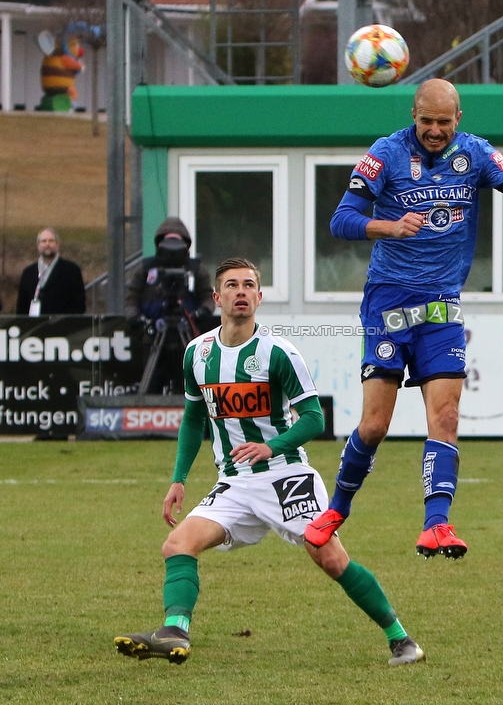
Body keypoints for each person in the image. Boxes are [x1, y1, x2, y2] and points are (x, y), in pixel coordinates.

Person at [114, 257, 425, 667]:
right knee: (177, 544)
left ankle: (401, 639)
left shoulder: (279, 352)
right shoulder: (197, 352)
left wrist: (271, 446)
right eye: (231, 285)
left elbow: (315, 417)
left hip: (286, 475)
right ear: (217, 297)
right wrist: (178, 479)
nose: (240, 292)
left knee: (329, 557)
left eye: (248, 285)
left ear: (259, 298)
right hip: (234, 483)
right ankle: (175, 631)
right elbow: (193, 417)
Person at [303, 79, 503, 558]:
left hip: (441, 307)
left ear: (458, 118)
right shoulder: (385, 153)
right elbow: (341, 219)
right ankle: (336, 509)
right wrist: (390, 226)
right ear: (413, 115)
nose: (435, 131)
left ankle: (436, 524)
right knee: (375, 425)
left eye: (444, 122)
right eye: (426, 121)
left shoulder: (476, 153)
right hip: (388, 304)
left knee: (447, 415)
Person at [125, 216, 216, 393]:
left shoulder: (197, 269)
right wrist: (138, 319)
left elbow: (208, 296)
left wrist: (202, 312)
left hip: (187, 337)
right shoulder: (145, 268)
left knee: (190, 387)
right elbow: (131, 299)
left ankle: (194, 419)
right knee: (152, 388)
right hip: (153, 337)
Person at [16, 228, 86, 315]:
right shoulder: (28, 273)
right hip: (35, 326)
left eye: (51, 241)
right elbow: (21, 307)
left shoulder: (72, 270)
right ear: (38, 245)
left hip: (62, 326)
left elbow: (79, 305)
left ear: (57, 244)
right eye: (43, 241)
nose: (47, 244)